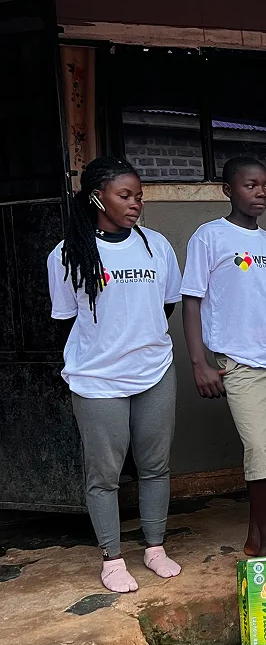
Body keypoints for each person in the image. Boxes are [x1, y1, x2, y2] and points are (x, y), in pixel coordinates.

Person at [47, 157, 183, 593]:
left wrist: (138, 338)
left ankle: (155, 547)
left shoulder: (156, 246)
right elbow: (65, 320)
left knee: (155, 466)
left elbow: (166, 305)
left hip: (154, 370)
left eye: (139, 196)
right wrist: (108, 344)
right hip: (98, 379)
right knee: (103, 475)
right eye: (125, 195)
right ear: (97, 196)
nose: (135, 203)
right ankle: (112, 557)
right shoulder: (67, 254)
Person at [182, 156, 266, 559]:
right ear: (228, 190)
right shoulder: (209, 237)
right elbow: (192, 301)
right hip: (241, 362)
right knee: (261, 451)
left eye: (265, 185)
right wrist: (199, 362)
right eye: (250, 185)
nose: (261, 193)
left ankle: (256, 537)